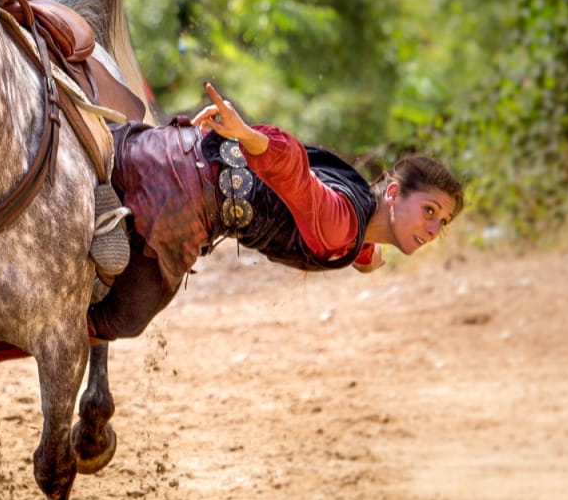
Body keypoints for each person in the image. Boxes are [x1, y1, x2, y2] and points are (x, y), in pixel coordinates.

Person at [88, 83, 464, 342]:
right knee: (123, 319)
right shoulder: (342, 225)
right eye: (429, 210)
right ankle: (32, 333)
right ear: (395, 194)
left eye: (442, 222)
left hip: (171, 153)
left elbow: (328, 210)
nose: (433, 228)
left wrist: (365, 251)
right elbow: (298, 178)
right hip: (174, 195)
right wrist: (249, 135)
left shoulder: (356, 215)